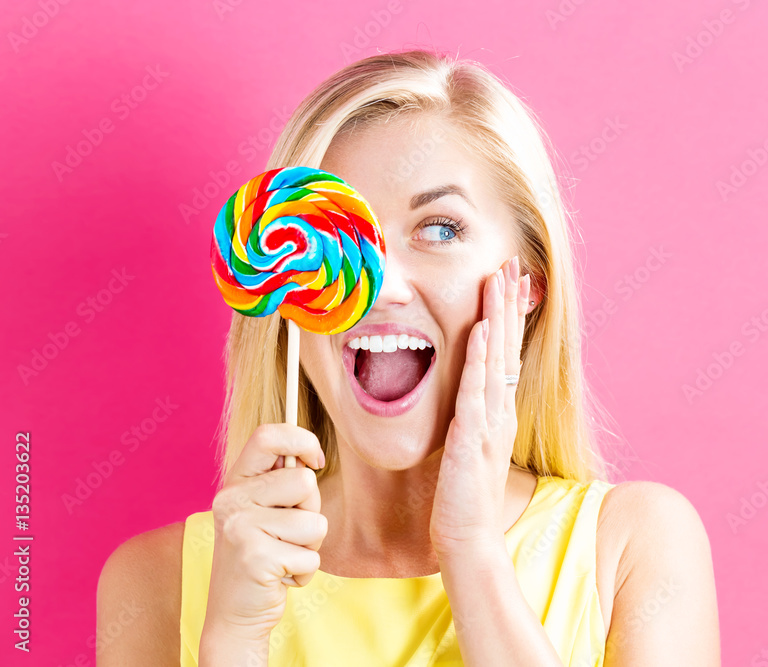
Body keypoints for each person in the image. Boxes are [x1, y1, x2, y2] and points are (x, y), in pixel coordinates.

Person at [97, 49, 720, 666]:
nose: (382, 284)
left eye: (441, 229)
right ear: (279, 281)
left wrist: (471, 551)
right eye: (331, 233)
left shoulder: (632, 549)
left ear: (526, 284)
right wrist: (233, 641)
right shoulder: (158, 585)